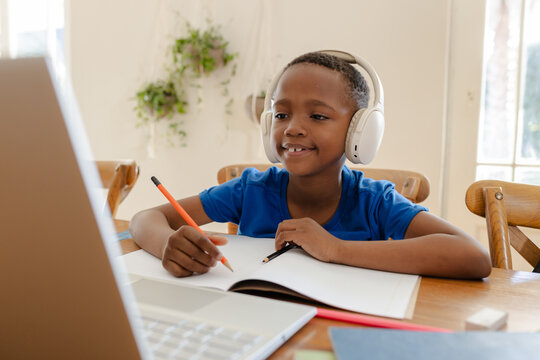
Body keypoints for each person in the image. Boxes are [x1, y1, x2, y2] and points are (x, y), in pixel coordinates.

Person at [130, 51, 492, 280]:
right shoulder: (251, 189)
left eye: (318, 115)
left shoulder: (374, 202)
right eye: (282, 113)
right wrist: (167, 245)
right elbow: (144, 219)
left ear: (358, 132)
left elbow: (473, 257)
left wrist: (335, 248)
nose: (292, 128)